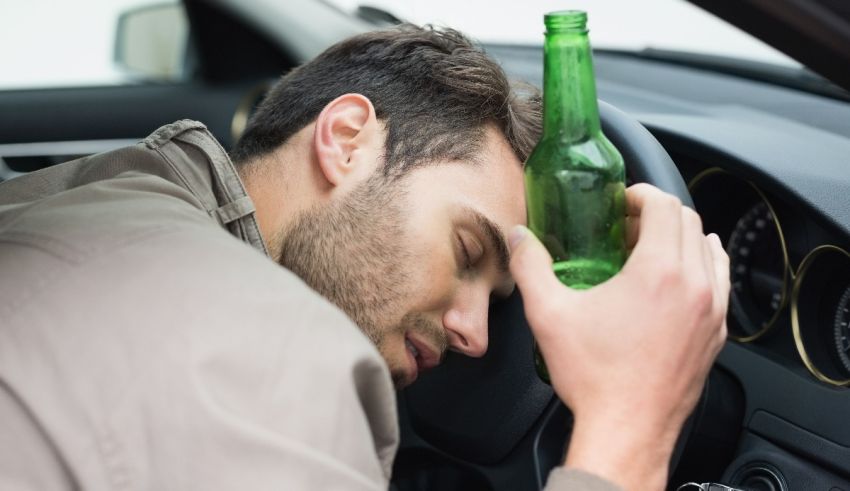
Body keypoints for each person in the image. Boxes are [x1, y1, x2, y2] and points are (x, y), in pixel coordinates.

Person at [0, 24, 728, 491]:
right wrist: (628, 423)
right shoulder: (268, 351)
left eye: (500, 303)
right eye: (468, 248)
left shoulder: (88, 200)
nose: (477, 334)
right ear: (347, 138)